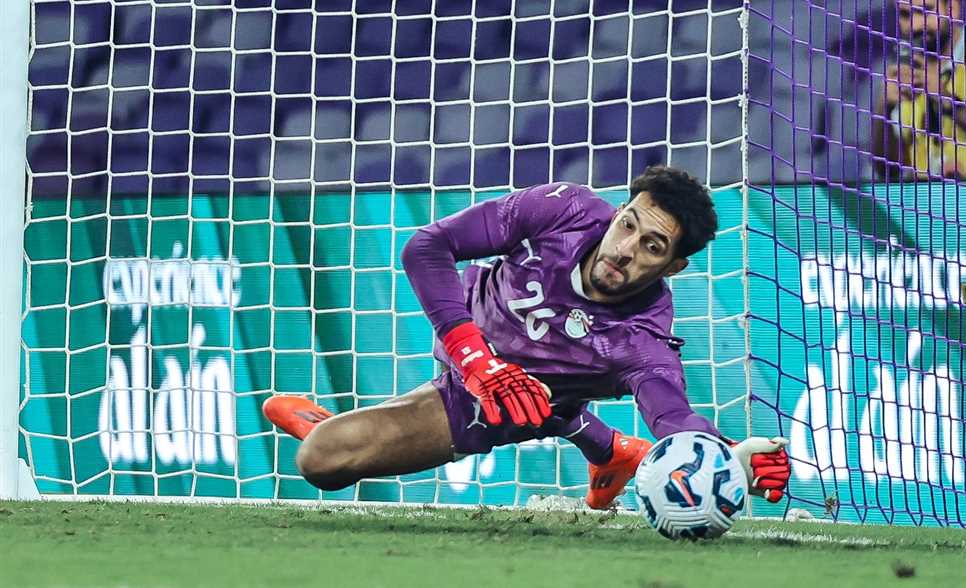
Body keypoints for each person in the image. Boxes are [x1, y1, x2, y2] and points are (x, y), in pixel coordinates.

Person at [263, 166, 791, 509]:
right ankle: (607, 446)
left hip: (490, 406)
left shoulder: (642, 342)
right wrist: (479, 362)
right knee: (533, 389)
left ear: (673, 268)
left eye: (652, 246)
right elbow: (426, 248)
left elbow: (674, 419)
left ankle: (333, 430)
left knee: (321, 461)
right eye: (628, 224)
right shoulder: (565, 209)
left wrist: (731, 457)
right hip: (469, 335)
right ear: (618, 212)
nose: (625, 249)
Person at [872, 0, 966, 180]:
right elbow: (886, 170)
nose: (915, 25)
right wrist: (885, 108)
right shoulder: (903, 68)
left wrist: (945, 98)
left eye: (925, 11)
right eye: (905, 15)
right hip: (923, 196)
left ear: (952, 8)